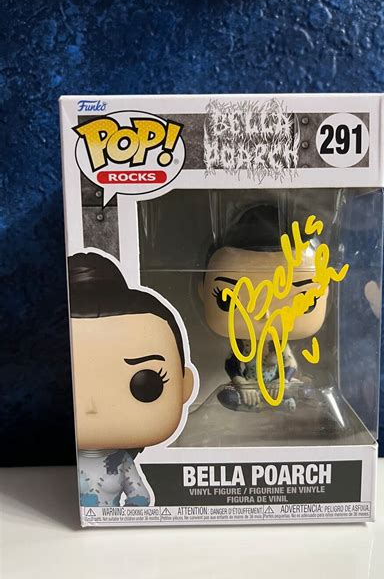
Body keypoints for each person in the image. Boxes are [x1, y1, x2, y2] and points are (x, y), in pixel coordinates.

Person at [68, 252, 195, 507]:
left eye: (146, 383)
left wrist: (124, 516)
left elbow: (140, 497)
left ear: (185, 385)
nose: (92, 406)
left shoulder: (121, 463)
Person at [200, 204, 328, 412]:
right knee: (227, 395)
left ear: (326, 292)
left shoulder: (279, 344)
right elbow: (231, 366)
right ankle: (259, 404)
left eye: (305, 299)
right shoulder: (242, 344)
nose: (264, 314)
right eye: (227, 300)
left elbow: (290, 365)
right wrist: (242, 383)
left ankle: (274, 402)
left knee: (304, 392)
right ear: (202, 291)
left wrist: (282, 381)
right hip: (249, 386)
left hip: (275, 385)